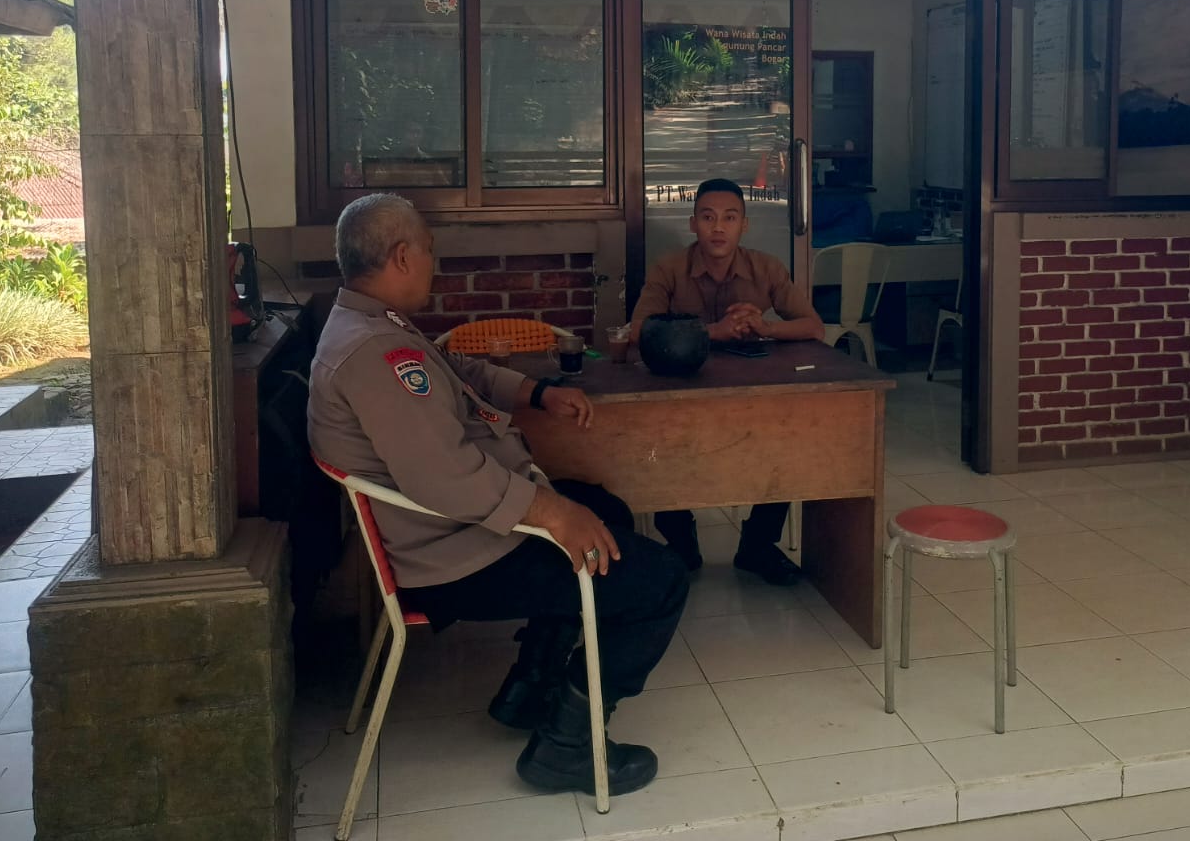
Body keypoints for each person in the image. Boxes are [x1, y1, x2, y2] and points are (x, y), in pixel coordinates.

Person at [308, 193, 688, 797]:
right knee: (660, 581)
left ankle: (530, 687)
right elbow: (446, 478)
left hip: (452, 530)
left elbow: (458, 373)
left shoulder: (372, 323)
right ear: (402, 257)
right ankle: (565, 746)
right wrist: (552, 513)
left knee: (605, 508)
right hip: (456, 557)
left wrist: (536, 392)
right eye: (429, 251)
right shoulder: (376, 352)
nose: (433, 263)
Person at [630, 178, 826, 585]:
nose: (718, 227)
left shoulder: (766, 268)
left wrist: (766, 327)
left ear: (744, 225)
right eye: (708, 217)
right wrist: (713, 332)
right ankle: (681, 543)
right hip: (682, 393)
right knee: (654, 439)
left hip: (752, 391)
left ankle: (757, 545)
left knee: (790, 440)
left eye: (730, 218)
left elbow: (813, 326)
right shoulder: (668, 269)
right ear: (693, 224)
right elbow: (639, 332)